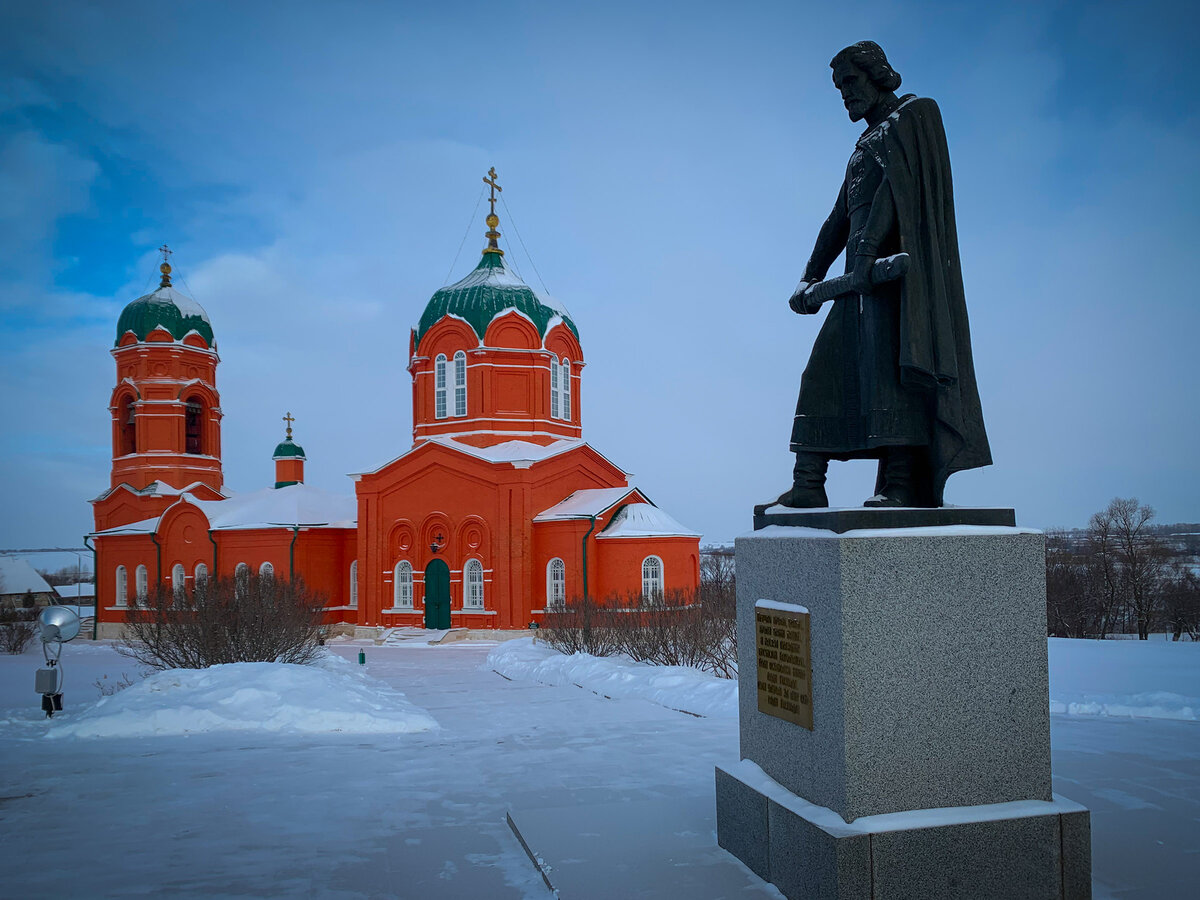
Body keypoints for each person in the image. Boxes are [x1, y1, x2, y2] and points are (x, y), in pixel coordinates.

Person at [777, 41, 991, 509]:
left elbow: (900, 193)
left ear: (877, 75)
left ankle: (901, 484)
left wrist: (870, 254)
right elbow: (839, 217)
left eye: (850, 82)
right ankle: (809, 483)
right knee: (823, 373)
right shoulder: (864, 144)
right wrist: (808, 278)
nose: (845, 94)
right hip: (858, 282)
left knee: (893, 377)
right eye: (839, 87)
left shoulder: (914, 117)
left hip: (898, 287)